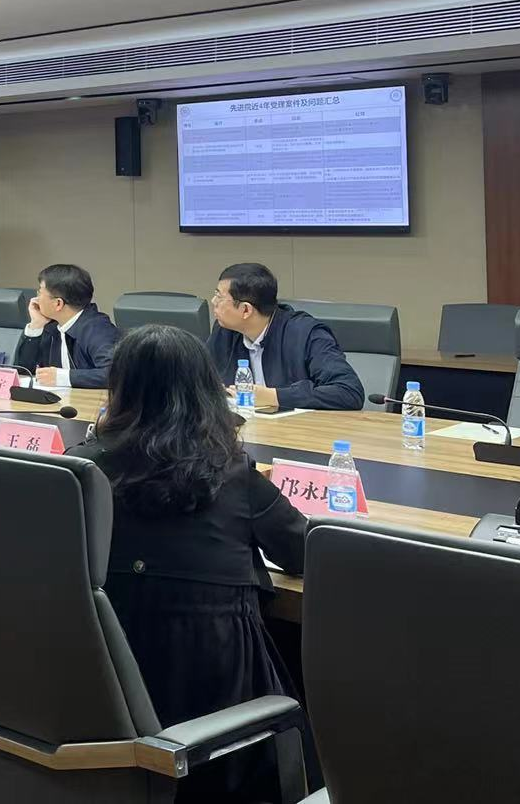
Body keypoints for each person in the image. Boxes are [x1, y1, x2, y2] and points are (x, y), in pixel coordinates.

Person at [73, 324, 308, 801]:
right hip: (221, 697)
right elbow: (303, 552)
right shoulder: (231, 471)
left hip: (103, 697)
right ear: (204, 391)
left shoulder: (80, 468)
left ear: (119, 389)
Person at [207, 263, 365, 411]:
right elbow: (201, 380)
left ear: (246, 310)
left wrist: (274, 397)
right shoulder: (225, 332)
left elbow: (349, 392)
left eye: (219, 297)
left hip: (299, 429)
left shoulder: (305, 333)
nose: (213, 302)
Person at [13, 263, 120, 388]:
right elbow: (23, 371)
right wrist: (36, 325)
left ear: (58, 303)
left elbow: (115, 374)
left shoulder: (97, 328)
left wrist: (63, 377)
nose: (35, 299)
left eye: (40, 293)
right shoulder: (52, 325)